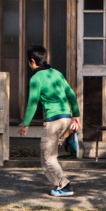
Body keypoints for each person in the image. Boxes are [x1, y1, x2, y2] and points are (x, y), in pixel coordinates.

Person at [17, 45, 81, 198]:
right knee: (46, 157)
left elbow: (33, 103)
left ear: (32, 61)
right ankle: (59, 184)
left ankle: (64, 186)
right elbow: (71, 95)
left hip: (54, 121)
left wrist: (26, 124)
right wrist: (76, 116)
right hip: (66, 118)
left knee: (48, 158)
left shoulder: (36, 78)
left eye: (29, 62)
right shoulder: (57, 74)